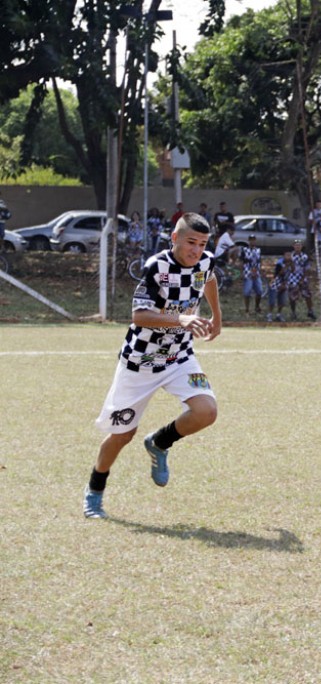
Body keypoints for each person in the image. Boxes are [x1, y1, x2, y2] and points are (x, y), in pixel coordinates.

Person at [82, 213, 222, 519]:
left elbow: (209, 277)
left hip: (180, 355)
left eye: (201, 244)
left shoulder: (205, 261)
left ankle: (159, 443)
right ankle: (94, 492)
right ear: (174, 238)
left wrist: (216, 318)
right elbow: (140, 316)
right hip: (141, 361)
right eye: (190, 242)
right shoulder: (156, 267)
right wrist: (182, 319)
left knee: (206, 411)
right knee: (122, 435)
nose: (196, 250)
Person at [287, 239, 316, 320]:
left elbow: (307, 269)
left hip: (303, 277)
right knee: (292, 297)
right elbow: (290, 269)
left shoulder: (305, 256)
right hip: (292, 278)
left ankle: (310, 311)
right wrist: (291, 263)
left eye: (299, 245)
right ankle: (293, 312)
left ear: (301, 246)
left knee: (307, 295)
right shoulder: (291, 256)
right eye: (296, 245)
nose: (297, 247)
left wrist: (302, 279)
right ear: (293, 246)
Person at [240, 236, 263, 315]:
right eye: (251, 240)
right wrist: (242, 272)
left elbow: (259, 262)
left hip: (256, 273)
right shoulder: (244, 250)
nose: (252, 242)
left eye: (254, 240)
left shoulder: (258, 250)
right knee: (247, 292)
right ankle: (247, 309)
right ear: (249, 241)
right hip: (247, 273)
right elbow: (241, 262)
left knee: (259, 291)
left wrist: (258, 271)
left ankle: (257, 306)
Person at [266, 251, 292, 322]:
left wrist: (291, 265)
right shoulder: (279, 263)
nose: (289, 257)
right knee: (272, 301)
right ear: (284, 256)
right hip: (275, 283)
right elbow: (279, 273)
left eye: (290, 255)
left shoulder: (291, 263)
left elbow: (293, 271)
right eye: (287, 255)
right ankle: (269, 314)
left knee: (282, 301)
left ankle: (279, 314)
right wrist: (286, 266)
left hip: (284, 283)